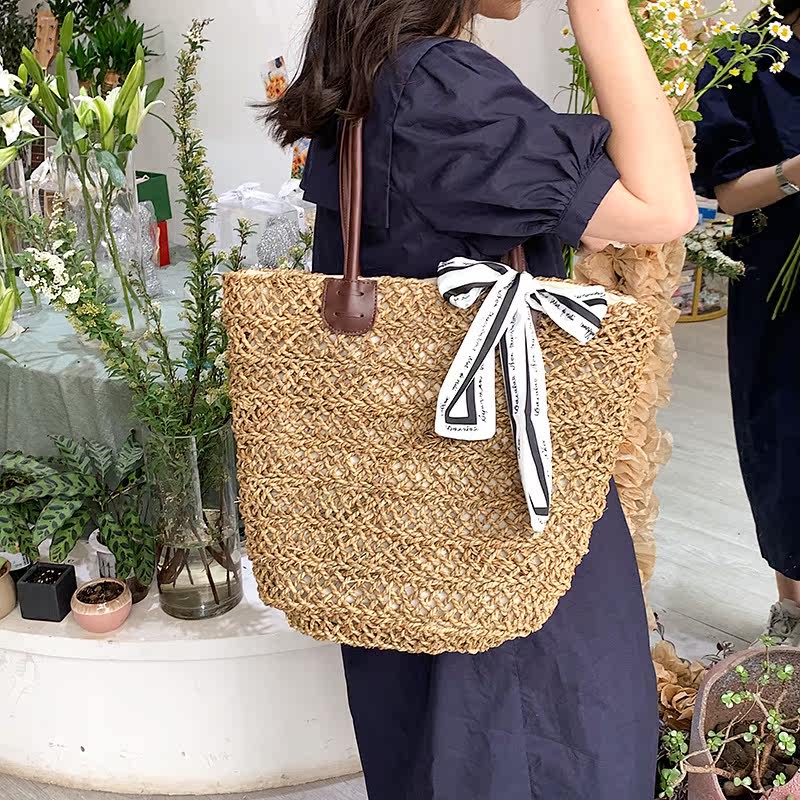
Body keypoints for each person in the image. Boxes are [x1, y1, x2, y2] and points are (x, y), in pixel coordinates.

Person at [265, 1, 696, 797]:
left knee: (434, 748)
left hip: (403, 507)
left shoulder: (375, 72)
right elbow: (665, 207)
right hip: (499, 506)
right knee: (558, 741)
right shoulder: (442, 86)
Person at [694, 2, 800, 645]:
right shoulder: (746, 57)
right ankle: (791, 608)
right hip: (778, 285)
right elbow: (727, 191)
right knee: (784, 440)